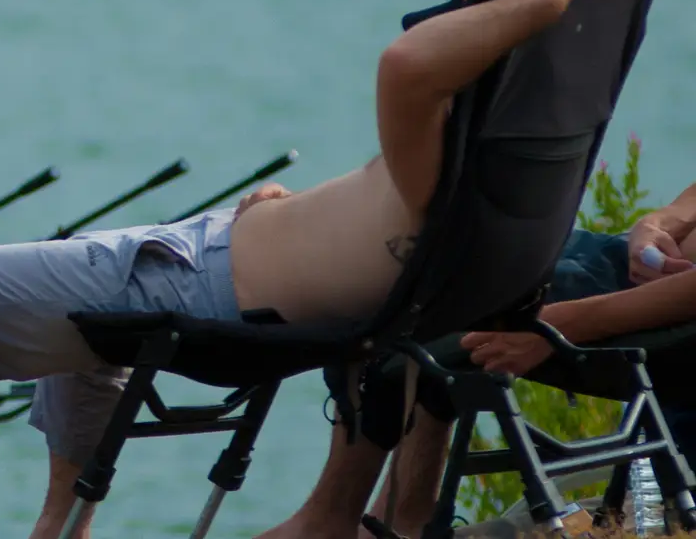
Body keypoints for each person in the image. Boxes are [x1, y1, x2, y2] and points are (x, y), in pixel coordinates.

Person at [0, 0, 599, 539]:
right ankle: (61, 526)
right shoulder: (504, 169)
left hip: (208, 283)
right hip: (233, 264)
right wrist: (287, 219)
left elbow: (403, 64)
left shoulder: (437, 146)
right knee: (72, 278)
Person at [252, 181, 696, 539]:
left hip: (667, 324)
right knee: (438, 243)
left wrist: (553, 325)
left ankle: (337, 520)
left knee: (419, 287)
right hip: (642, 271)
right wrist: (658, 224)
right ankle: (398, 516)